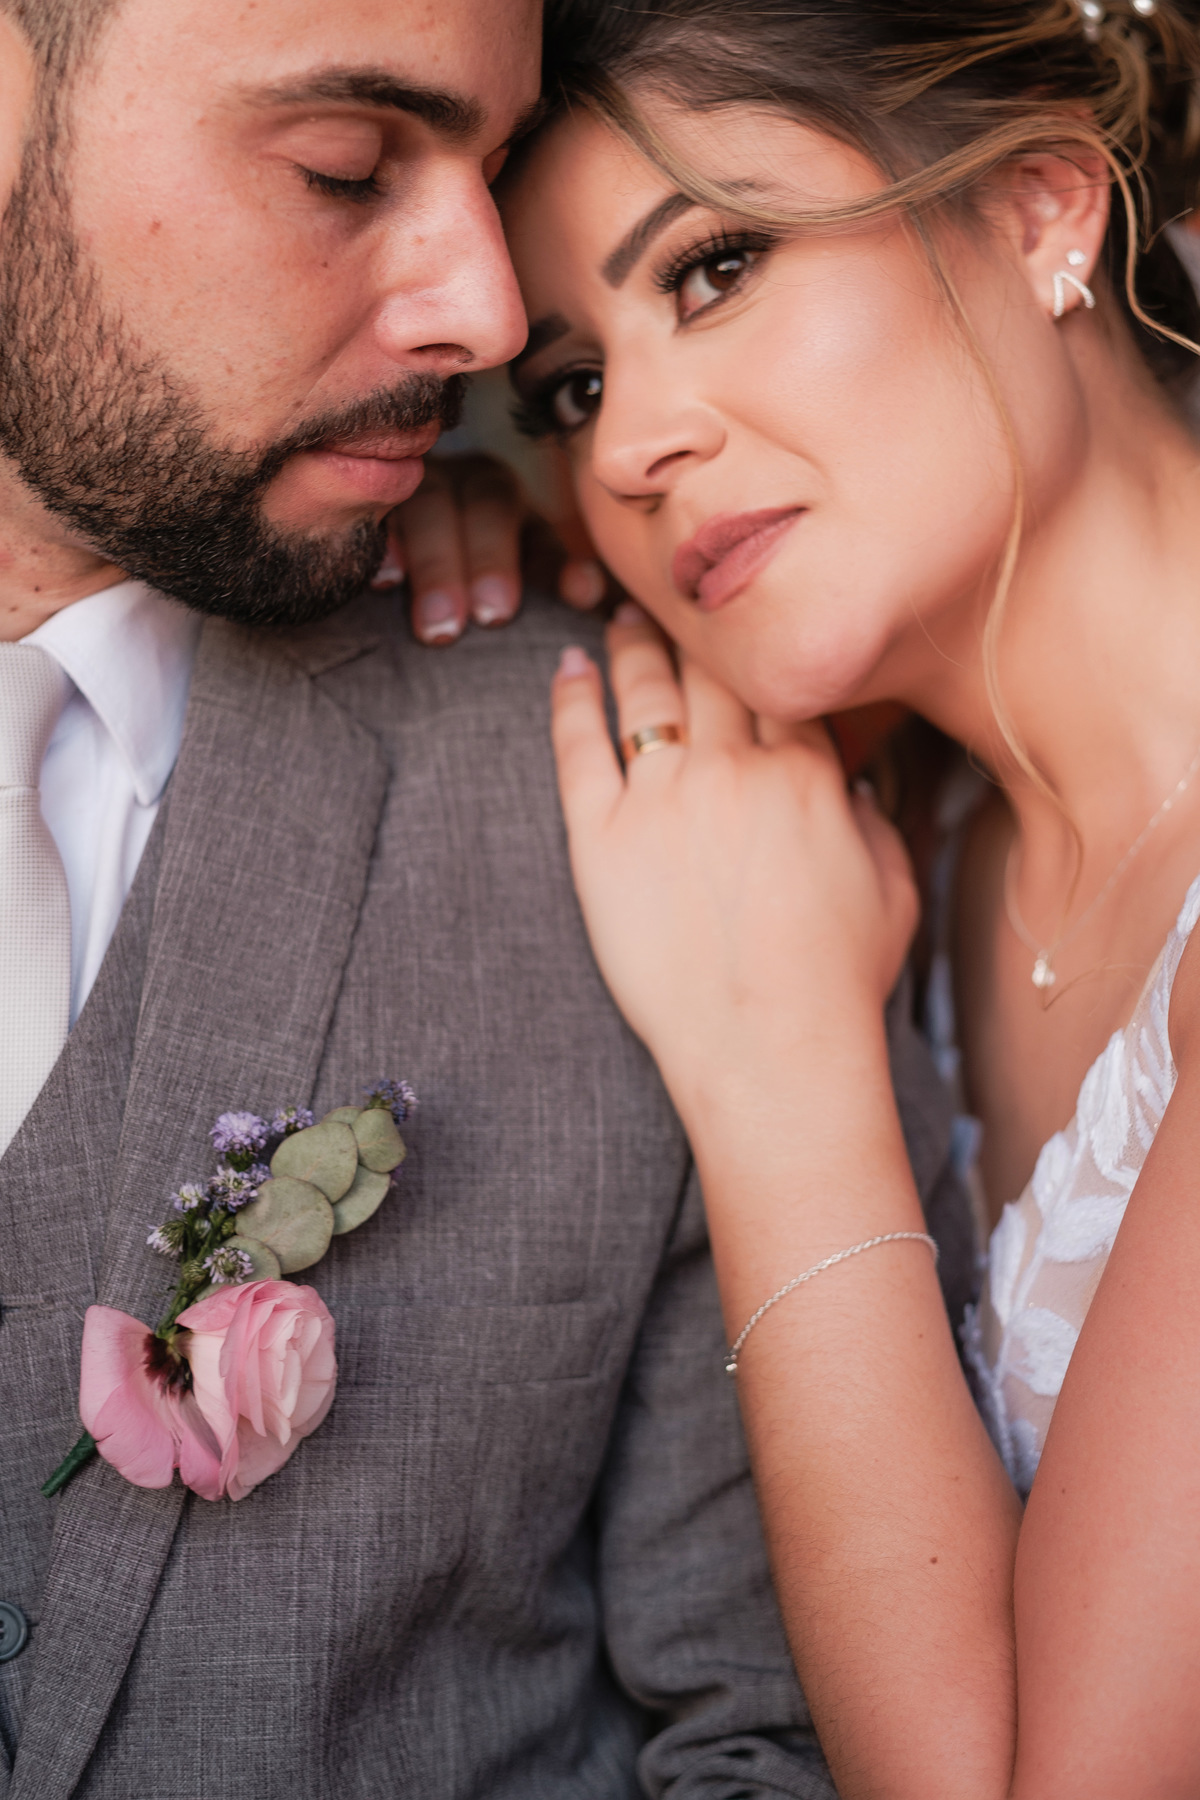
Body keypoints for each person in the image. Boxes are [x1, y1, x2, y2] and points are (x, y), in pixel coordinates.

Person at [0, 1, 970, 1796]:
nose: (496, 318)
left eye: (492, 173)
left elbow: (778, 1739)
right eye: (345, 167)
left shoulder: (639, 800)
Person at [494, 0, 1200, 1794]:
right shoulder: (902, 829)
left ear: (1044, 205)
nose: (631, 446)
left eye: (716, 267)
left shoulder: (798, 943)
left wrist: (779, 1075)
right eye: (570, 388)